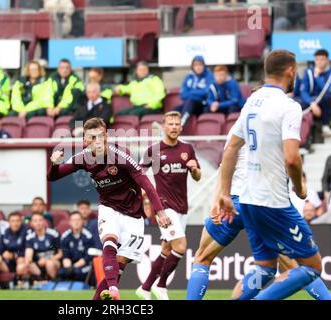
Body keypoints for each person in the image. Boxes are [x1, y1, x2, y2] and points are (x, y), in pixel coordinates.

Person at [219, 49, 324, 300]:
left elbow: (231, 147)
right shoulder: (289, 106)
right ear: (290, 71)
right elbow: (292, 157)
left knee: (265, 268)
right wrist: (299, 188)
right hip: (273, 201)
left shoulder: (251, 102)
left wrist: (224, 193)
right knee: (313, 267)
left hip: (246, 199)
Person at [186, 122, 331, 300]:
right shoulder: (281, 123)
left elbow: (226, 163)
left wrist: (217, 200)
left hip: (235, 203)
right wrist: (300, 188)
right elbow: (292, 160)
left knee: (202, 258)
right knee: (299, 266)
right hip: (266, 205)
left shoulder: (240, 124)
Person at [47, 117, 171, 300]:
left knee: (120, 263)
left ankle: (101, 296)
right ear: (85, 141)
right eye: (92, 138)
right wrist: (54, 164)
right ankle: (114, 291)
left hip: (133, 214)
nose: (97, 141)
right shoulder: (82, 158)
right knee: (109, 243)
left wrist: (160, 212)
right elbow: (53, 177)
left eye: (100, 136)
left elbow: (146, 183)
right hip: (108, 207)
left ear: (106, 136)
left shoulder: (121, 155)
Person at [136, 111, 202, 300]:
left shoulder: (187, 149)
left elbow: (197, 177)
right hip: (164, 208)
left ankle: (145, 287)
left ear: (181, 127)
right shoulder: (154, 151)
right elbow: (139, 175)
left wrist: (194, 169)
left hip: (182, 207)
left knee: (167, 249)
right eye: (170, 124)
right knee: (180, 247)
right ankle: (162, 285)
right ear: (164, 127)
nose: (174, 127)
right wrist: (142, 196)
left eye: (177, 124)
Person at [0, 211, 28, 291]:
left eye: (17, 221)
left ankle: (23, 287)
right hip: (8, 264)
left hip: (22, 261)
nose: (15, 223)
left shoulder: (26, 232)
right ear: (9, 222)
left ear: (21, 221)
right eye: (13, 221)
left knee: (21, 260)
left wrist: (14, 255)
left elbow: (28, 251)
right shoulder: (5, 233)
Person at [300, 49, 331, 136]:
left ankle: (325, 125)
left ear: (327, 60)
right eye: (317, 59)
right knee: (298, 102)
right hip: (312, 101)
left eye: (322, 59)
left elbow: (328, 90)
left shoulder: (329, 73)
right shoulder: (308, 72)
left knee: (327, 97)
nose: (319, 62)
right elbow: (303, 91)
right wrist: (311, 103)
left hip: (326, 101)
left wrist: (317, 77)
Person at [23, 213, 62, 281]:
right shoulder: (30, 237)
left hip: (54, 261)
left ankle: (53, 283)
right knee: (24, 265)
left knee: (49, 264)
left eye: (40, 220)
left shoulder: (53, 234)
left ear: (44, 222)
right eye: (35, 221)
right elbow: (28, 257)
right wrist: (31, 262)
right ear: (31, 223)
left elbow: (60, 254)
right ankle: (41, 279)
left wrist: (47, 259)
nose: (38, 223)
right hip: (38, 263)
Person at [176, 55, 214, 126]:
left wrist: (191, 92)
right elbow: (182, 95)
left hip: (203, 105)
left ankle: (181, 124)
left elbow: (206, 92)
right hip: (189, 104)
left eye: (200, 65)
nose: (198, 67)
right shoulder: (189, 77)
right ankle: (165, 130)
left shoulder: (209, 76)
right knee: (174, 110)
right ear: (192, 67)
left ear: (204, 65)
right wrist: (196, 92)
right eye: (196, 65)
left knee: (190, 101)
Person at [58, 211, 94, 281]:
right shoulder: (65, 237)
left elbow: (87, 257)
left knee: (78, 272)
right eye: (73, 220)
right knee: (61, 272)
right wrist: (68, 269)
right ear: (70, 222)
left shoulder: (88, 236)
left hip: (84, 265)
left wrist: (73, 267)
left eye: (78, 220)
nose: (76, 222)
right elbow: (66, 256)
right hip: (70, 264)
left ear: (82, 221)